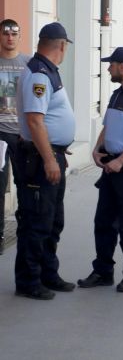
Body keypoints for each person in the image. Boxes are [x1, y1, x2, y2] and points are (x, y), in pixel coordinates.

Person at [78, 47, 123, 293]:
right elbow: (107, 125)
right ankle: (103, 271)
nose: (108, 67)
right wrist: (98, 148)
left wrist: (120, 160)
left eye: (111, 64)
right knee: (103, 221)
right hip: (110, 167)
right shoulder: (116, 95)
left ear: (122, 66)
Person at [14, 22, 75, 300]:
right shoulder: (40, 74)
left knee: (52, 221)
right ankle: (29, 280)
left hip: (50, 155)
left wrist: (58, 150)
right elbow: (35, 121)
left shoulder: (47, 70)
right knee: (37, 222)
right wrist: (50, 159)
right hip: (39, 160)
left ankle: (48, 273)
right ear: (61, 45)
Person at [0, 19, 30, 256]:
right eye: (6, 33)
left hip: (21, 134)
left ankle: (26, 231)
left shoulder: (28, 64)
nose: (10, 37)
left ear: (20, 37)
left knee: (25, 183)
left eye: (14, 33)